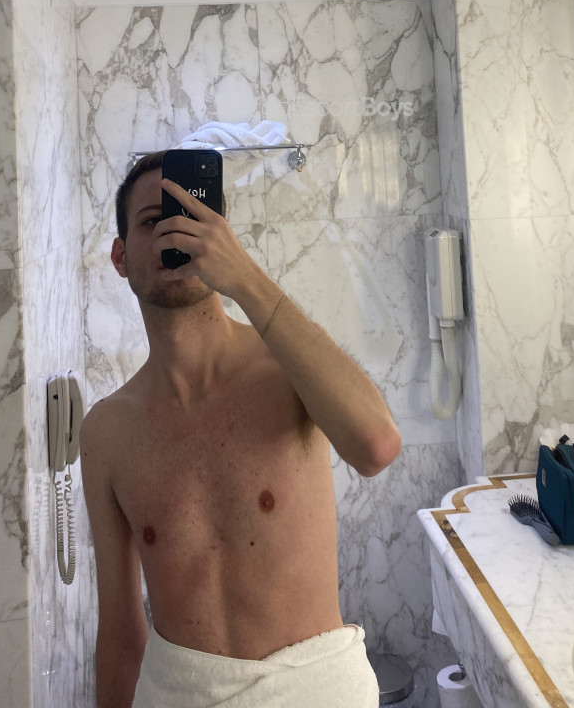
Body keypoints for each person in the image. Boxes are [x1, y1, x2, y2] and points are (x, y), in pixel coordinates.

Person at [80, 151, 402, 708]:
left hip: (316, 692)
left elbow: (377, 446)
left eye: (190, 216)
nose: (174, 232)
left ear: (220, 235)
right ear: (121, 256)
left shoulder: (289, 366)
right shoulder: (107, 432)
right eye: (152, 221)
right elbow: (121, 632)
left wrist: (244, 277)